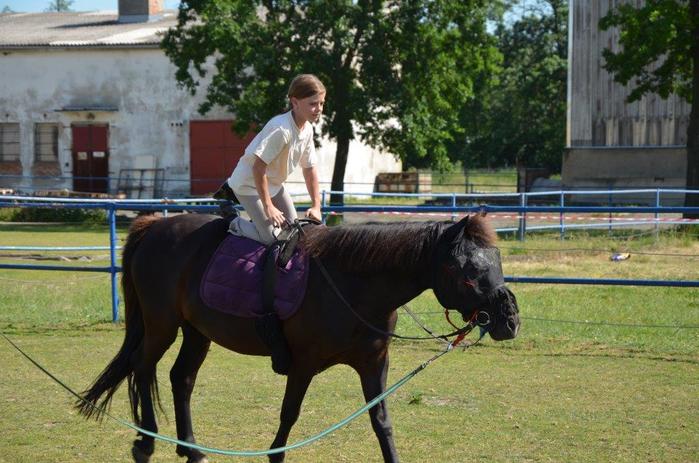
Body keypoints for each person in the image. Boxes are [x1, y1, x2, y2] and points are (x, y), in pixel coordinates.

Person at [223, 74, 325, 244]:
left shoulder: (307, 129)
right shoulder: (281, 130)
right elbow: (258, 168)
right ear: (295, 102)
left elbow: (309, 169)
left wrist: (316, 206)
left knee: (294, 233)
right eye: (313, 104)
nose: (319, 108)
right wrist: (268, 206)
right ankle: (233, 221)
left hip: (274, 185)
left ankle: (259, 223)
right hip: (248, 184)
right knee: (272, 239)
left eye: (321, 103)